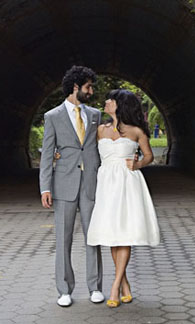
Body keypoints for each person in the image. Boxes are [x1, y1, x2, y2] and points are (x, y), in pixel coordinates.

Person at [86, 89, 160, 308]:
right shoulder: (100, 130)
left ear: (120, 105)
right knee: (112, 234)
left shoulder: (136, 131)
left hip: (128, 185)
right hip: (106, 184)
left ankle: (114, 286)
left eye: (111, 100)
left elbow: (149, 156)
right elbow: (85, 151)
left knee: (124, 234)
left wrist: (137, 164)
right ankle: (125, 284)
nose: (106, 102)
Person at [39, 65, 104, 307]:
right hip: (63, 185)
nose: (91, 90)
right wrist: (45, 188)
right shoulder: (52, 116)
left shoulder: (95, 115)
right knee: (63, 239)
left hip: (90, 184)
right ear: (75, 87)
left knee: (93, 237)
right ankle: (64, 290)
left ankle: (95, 287)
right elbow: (47, 154)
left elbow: (99, 148)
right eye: (88, 86)